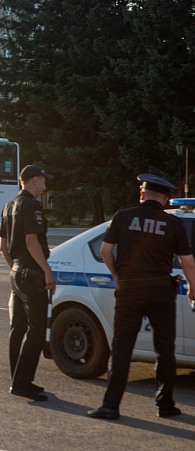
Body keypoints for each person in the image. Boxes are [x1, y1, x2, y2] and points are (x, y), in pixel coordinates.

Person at [88, 174, 195, 420]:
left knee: (122, 348)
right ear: (165, 199)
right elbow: (188, 262)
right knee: (164, 349)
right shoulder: (173, 224)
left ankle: (111, 406)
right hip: (160, 291)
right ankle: (165, 405)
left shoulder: (123, 217)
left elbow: (105, 251)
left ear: (142, 194)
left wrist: (117, 275)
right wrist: (192, 288)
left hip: (130, 290)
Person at [0, 164, 56, 402]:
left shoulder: (9, 205)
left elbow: (2, 245)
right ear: (33, 181)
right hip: (32, 274)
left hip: (17, 272)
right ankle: (22, 383)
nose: (45, 185)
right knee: (37, 329)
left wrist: (14, 267)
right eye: (43, 181)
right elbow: (32, 242)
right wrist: (47, 272)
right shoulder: (31, 205)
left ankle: (18, 378)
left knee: (18, 328)